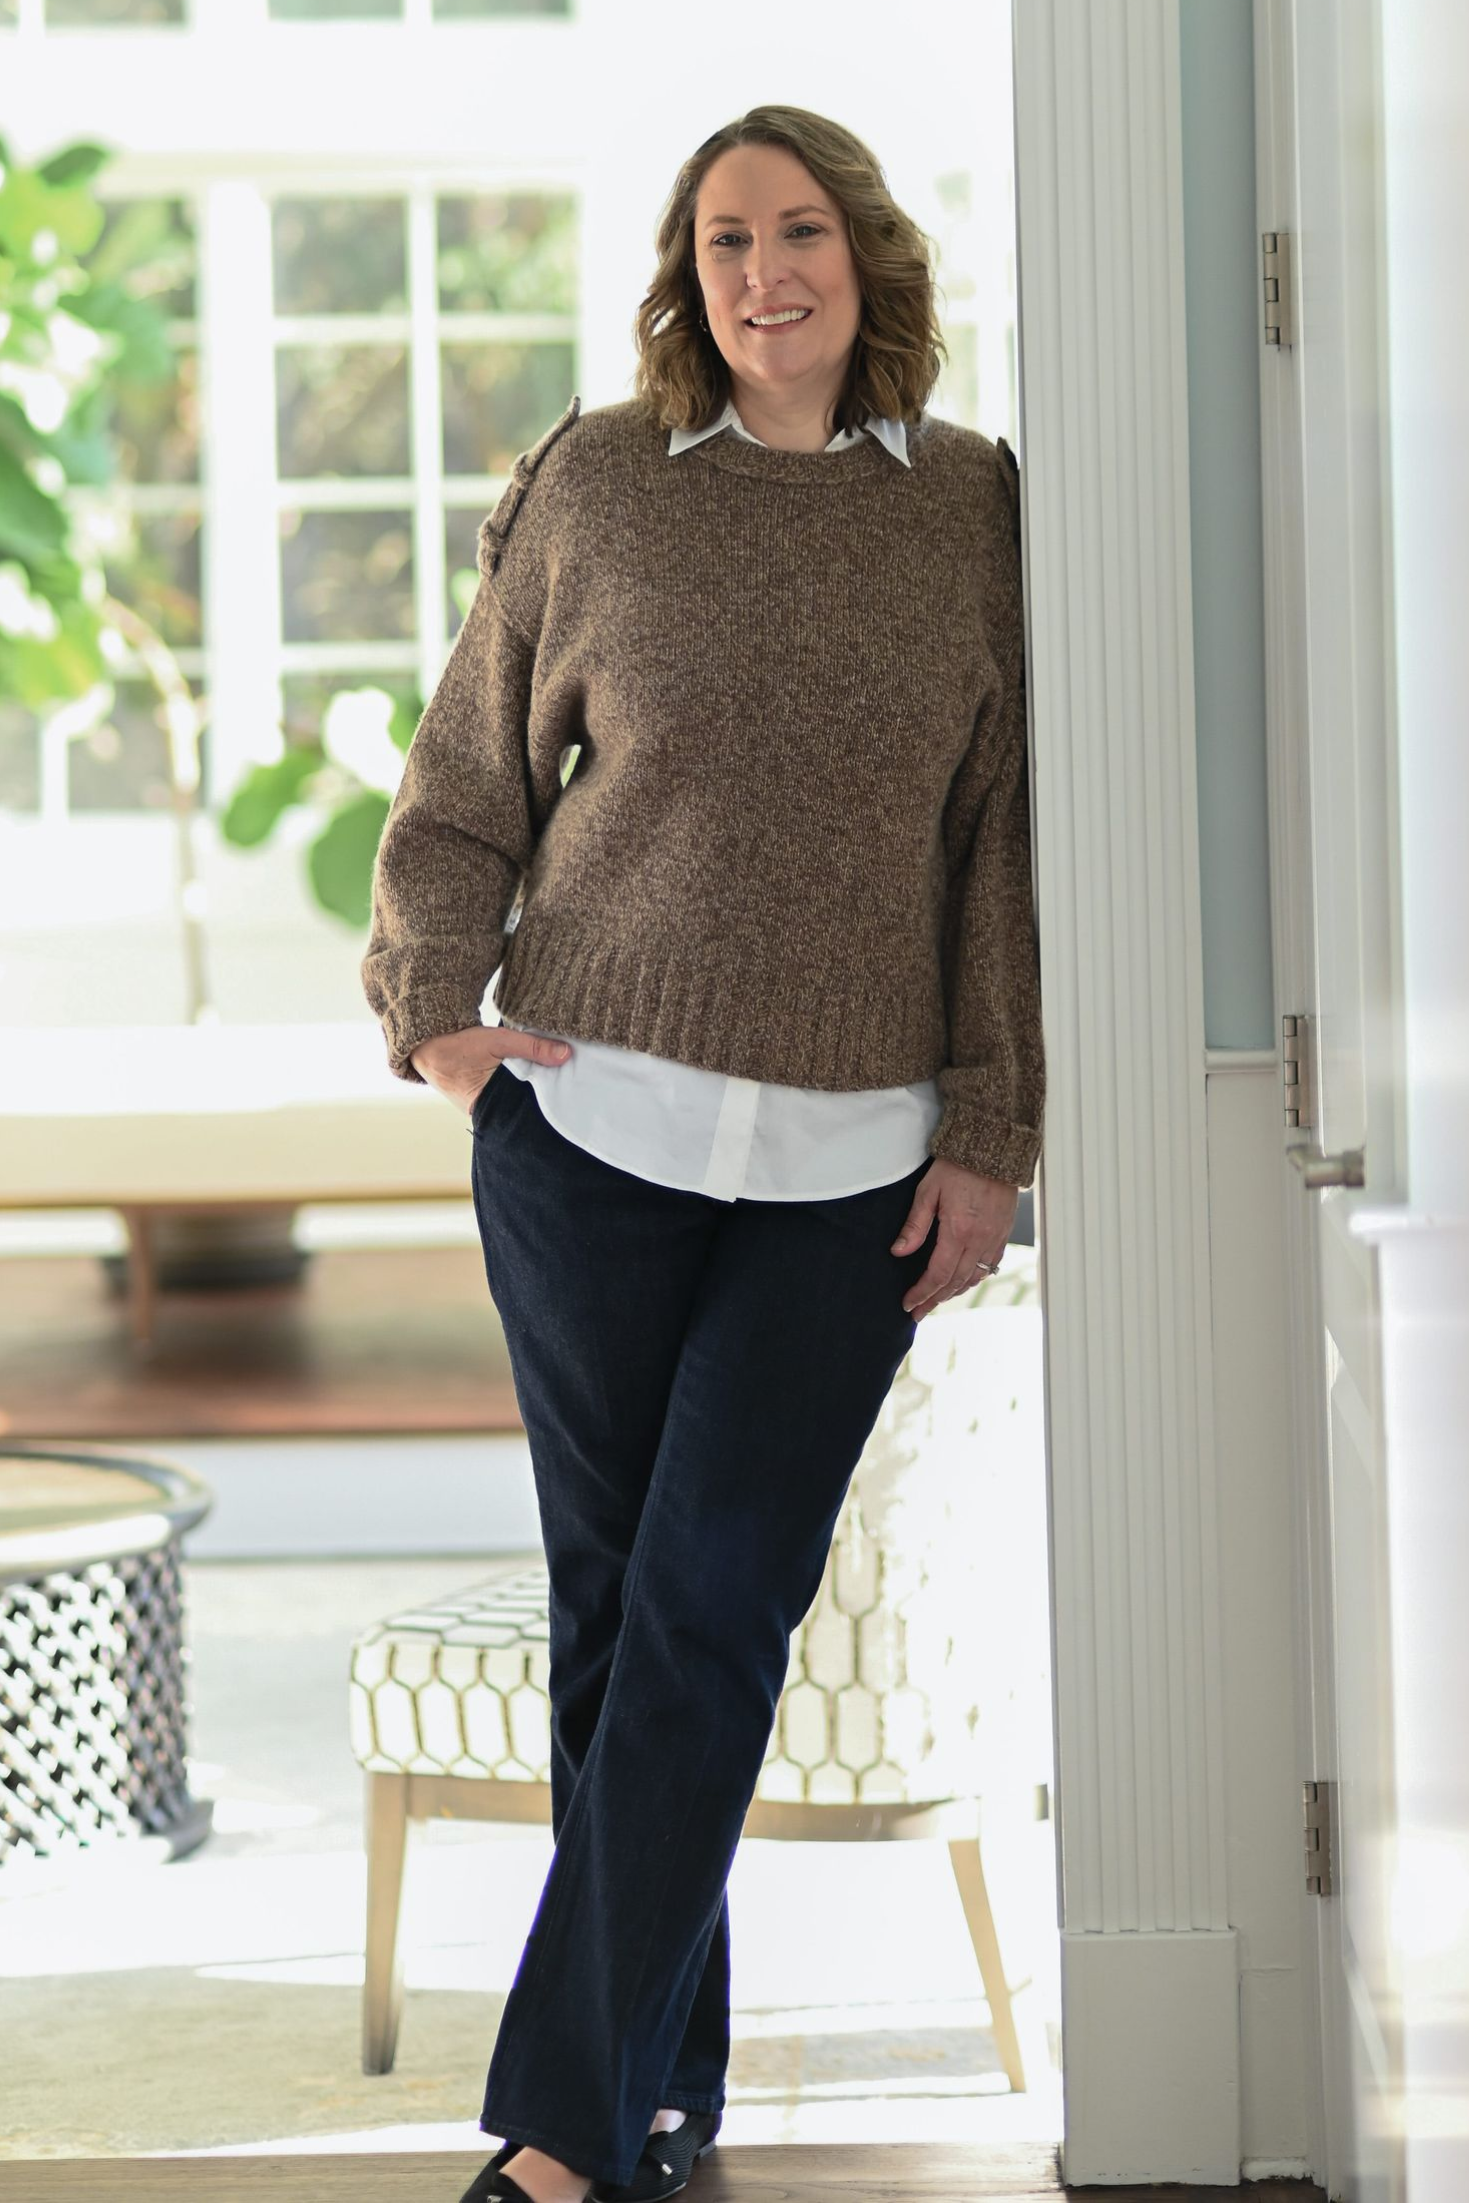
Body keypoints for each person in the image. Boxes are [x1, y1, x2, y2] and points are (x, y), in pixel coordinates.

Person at [360, 102, 1045, 2203]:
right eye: (727, 238)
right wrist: (442, 1018)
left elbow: (994, 843)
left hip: (847, 1169)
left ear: (866, 259)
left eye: (802, 231)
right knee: (613, 1627)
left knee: (710, 1613)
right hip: (590, 1136)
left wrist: (990, 1129)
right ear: (687, 271)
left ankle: (562, 2142)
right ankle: (659, 2100)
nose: (767, 272)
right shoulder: (595, 484)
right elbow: (473, 772)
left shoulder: (969, 509)